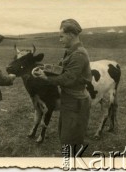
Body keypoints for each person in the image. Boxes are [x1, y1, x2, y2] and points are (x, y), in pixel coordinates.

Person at [37, 19, 92, 155]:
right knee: (65, 136)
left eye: (61, 36)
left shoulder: (78, 54)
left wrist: (46, 78)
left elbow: (68, 78)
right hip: (69, 100)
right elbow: (62, 69)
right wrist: (46, 68)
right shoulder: (71, 51)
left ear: (71, 35)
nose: (59, 40)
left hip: (76, 102)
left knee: (71, 140)